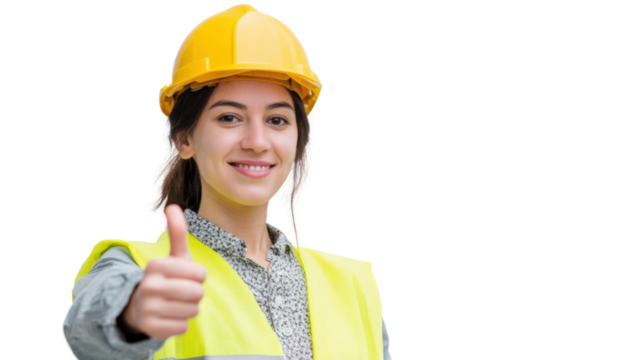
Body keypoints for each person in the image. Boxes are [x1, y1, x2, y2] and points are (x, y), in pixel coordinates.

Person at [61, 3, 392, 359]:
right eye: (230, 117)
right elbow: (87, 332)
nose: (257, 141)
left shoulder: (353, 282)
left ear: (298, 142)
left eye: (277, 120)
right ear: (183, 139)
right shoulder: (138, 268)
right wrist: (132, 316)